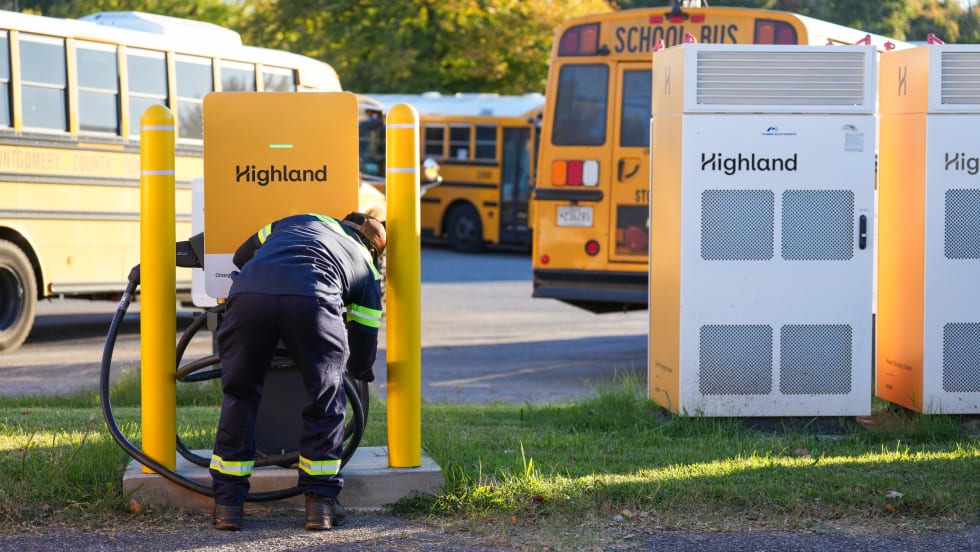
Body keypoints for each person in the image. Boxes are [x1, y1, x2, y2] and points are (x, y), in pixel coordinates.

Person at [209, 212, 386, 531]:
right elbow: (363, 345)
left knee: (240, 396)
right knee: (325, 400)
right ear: (374, 248)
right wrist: (360, 369)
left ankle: (227, 506)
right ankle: (319, 506)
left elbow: (240, 256)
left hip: (249, 296)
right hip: (315, 300)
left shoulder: (293, 222)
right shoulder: (367, 267)